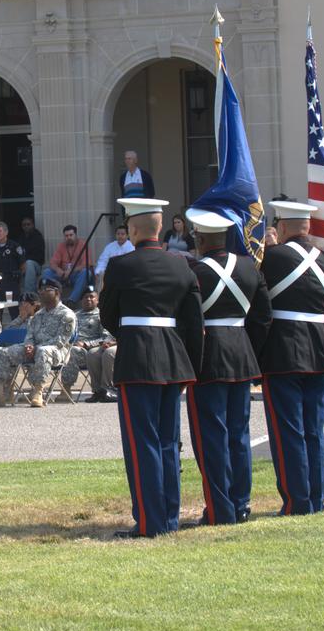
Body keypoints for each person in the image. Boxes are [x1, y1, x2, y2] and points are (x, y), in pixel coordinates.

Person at [99, 197, 203, 537]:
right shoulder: (183, 266)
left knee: (142, 441)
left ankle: (150, 521)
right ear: (159, 228)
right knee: (168, 442)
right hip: (174, 358)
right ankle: (169, 517)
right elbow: (193, 322)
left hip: (138, 358)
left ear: (132, 228)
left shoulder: (120, 266)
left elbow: (109, 316)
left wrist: (131, 335)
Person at [182, 208, 272, 526]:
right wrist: (251, 350)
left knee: (211, 437)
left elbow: (188, 322)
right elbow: (263, 317)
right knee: (239, 434)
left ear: (201, 239)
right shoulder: (249, 268)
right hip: (242, 352)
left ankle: (220, 508)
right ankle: (241, 502)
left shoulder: (193, 271)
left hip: (208, 357)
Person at [258, 199, 324, 516]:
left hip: (282, 354)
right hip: (319, 353)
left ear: (281, 227)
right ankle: (314, 497)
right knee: (312, 430)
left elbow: (261, 311)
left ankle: (297, 501)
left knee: (288, 431)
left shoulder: (270, 259)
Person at [0, 277, 76, 408]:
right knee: (4, 352)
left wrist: (36, 348)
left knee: (43, 351)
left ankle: (38, 392)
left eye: (46, 290)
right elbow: (30, 335)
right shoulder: (38, 315)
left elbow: (60, 341)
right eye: (40, 290)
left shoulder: (67, 314)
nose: (42, 292)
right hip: (34, 349)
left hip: (57, 352)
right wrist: (29, 345)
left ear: (57, 292)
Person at [61, 286, 117, 403]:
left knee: (73, 352)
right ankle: (97, 391)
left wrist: (86, 344)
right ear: (81, 301)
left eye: (92, 297)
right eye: (86, 297)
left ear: (97, 300)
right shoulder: (74, 315)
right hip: (72, 345)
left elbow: (106, 337)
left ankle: (65, 389)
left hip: (88, 349)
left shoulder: (101, 315)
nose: (88, 299)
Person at [42, 224, 91, 305]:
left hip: (75, 275)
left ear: (76, 235)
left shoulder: (83, 245)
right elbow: (52, 263)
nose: (68, 238)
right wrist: (58, 270)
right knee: (47, 272)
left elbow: (87, 264)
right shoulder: (61, 245)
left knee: (86, 272)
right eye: (66, 236)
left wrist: (71, 271)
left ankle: (72, 300)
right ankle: (53, 300)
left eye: (71, 235)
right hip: (63, 275)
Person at [0, 222, 27, 299]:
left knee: (12, 307)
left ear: (6, 232)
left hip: (11, 283)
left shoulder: (14, 246)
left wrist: (17, 278)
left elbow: (23, 265)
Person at [95, 224, 133, 290]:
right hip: (110, 273)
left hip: (125, 274)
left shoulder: (131, 247)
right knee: (101, 275)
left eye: (122, 234)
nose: (120, 236)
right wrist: (98, 271)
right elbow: (103, 260)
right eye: (118, 234)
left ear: (127, 235)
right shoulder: (110, 246)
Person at [18, 217, 46, 294]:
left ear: (33, 225)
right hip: (23, 265)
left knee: (29, 263)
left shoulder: (38, 237)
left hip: (36, 266)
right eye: (24, 225)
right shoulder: (21, 237)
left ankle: (29, 294)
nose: (26, 226)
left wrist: (25, 262)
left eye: (28, 224)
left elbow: (40, 257)